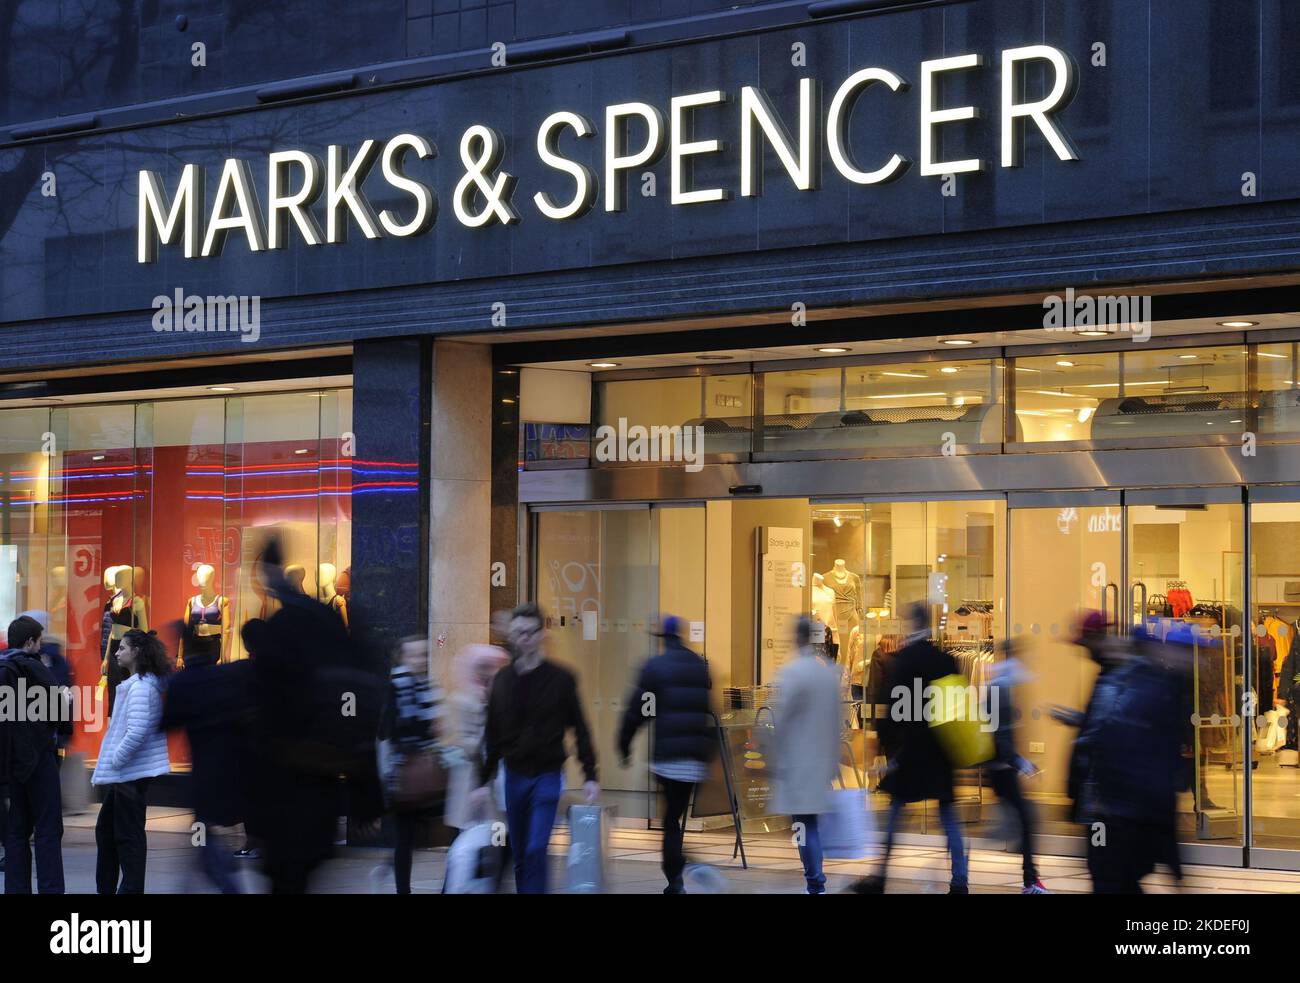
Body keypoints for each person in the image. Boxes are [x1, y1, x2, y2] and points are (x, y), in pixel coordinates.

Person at [473, 602, 599, 894]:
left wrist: (590, 775)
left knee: (535, 847)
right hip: (514, 775)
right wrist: (483, 780)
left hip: (548, 774)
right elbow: (493, 733)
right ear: (512, 635)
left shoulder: (561, 679)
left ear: (541, 633)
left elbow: (580, 728)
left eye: (530, 632)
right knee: (520, 853)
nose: (525, 638)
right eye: (519, 632)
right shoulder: (503, 680)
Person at [852, 602, 968, 894]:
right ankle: (959, 881)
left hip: (910, 750)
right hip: (941, 749)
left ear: (910, 624)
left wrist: (883, 745)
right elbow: (958, 707)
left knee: (894, 813)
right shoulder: (945, 661)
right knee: (949, 817)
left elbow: (892, 710)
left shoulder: (902, 661)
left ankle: (879, 876)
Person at [617, 615, 714, 894]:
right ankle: (681, 868)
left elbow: (636, 711)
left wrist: (623, 744)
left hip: (668, 760)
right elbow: (708, 710)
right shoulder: (699, 665)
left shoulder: (655, 666)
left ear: (663, 639)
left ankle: (677, 877)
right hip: (694, 760)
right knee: (675, 817)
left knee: (670, 821)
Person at [160, 640, 255, 894]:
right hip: (229, 767)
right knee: (203, 831)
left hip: (204, 771)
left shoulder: (184, 681)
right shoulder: (223, 677)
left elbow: (168, 722)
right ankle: (213, 873)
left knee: (202, 830)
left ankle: (224, 879)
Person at [91, 628, 171, 894]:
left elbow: (137, 732)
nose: (116, 653)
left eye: (122, 648)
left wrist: (116, 759)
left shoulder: (140, 688)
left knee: (127, 836)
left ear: (136, 652)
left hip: (129, 774)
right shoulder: (139, 685)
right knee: (109, 831)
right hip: (127, 774)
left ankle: (128, 890)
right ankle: (111, 888)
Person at [771, 616, 843, 894]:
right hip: (821, 761)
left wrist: (773, 754)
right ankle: (815, 881)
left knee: (804, 826)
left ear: (797, 638)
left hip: (798, 763)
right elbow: (836, 721)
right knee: (810, 823)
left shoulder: (792, 672)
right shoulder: (828, 673)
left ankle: (815, 883)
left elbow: (781, 719)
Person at [1, 614, 69, 893]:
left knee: (17, 830)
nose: (41, 647)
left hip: (13, 762)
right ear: (30, 642)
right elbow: (60, 716)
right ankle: (51, 889)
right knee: (48, 829)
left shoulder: (3, 668)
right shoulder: (35, 668)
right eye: (39, 641)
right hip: (39, 759)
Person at [386, 635, 451, 894]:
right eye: (413, 655)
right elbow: (387, 731)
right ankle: (403, 889)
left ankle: (450, 885)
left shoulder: (428, 687)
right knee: (405, 838)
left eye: (423, 654)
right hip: (403, 773)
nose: (420, 660)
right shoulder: (394, 688)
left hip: (426, 771)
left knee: (436, 830)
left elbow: (437, 728)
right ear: (402, 657)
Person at [984, 639, 1048, 894]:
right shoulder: (1000, 687)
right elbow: (1000, 735)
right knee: (1026, 819)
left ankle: (1030, 878)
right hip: (1001, 769)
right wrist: (1020, 762)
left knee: (1024, 819)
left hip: (1002, 767)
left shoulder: (1000, 683)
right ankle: (1031, 880)